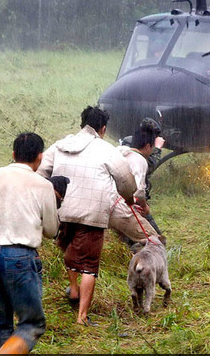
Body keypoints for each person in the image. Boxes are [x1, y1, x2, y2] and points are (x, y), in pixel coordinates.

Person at [36, 106, 136, 326]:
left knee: (71, 252)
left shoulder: (61, 145)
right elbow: (126, 181)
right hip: (92, 214)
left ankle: (73, 289)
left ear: (82, 123)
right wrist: (129, 198)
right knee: (89, 265)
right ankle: (82, 317)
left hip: (63, 210)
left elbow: (41, 172)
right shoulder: (106, 149)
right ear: (102, 128)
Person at [0, 132, 59, 354]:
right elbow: (52, 231)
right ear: (40, 157)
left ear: (13, 154)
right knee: (32, 324)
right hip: (21, 258)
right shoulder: (43, 185)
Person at [111, 123, 162, 247]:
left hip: (106, 205)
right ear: (148, 146)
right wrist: (145, 206)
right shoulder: (139, 160)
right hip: (123, 207)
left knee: (126, 238)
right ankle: (140, 263)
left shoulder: (118, 153)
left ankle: (126, 257)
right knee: (156, 242)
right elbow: (138, 192)